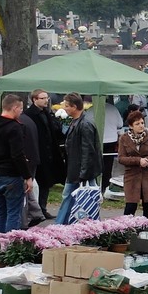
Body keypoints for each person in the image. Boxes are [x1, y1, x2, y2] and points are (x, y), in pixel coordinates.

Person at [0, 94, 33, 233]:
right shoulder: (14, 127)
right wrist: (27, 176)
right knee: (13, 212)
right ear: (15, 107)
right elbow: (17, 155)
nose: (22, 111)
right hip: (11, 174)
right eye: (21, 108)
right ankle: (9, 245)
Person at [54, 92, 103, 225]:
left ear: (75, 107)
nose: (64, 109)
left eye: (67, 106)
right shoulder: (77, 122)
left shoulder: (84, 124)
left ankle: (60, 226)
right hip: (77, 169)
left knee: (73, 197)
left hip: (80, 170)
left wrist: (83, 173)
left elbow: (88, 151)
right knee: (81, 198)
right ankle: (87, 224)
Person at [116, 109, 148, 219]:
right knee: (130, 206)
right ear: (131, 126)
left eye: (142, 123)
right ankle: (126, 230)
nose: (141, 126)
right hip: (131, 176)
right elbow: (121, 158)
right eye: (137, 124)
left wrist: (147, 159)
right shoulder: (124, 138)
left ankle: (147, 229)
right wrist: (138, 161)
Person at [27, 89, 64, 220]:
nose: (46, 100)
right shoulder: (30, 114)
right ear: (34, 99)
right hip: (37, 152)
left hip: (49, 152)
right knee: (35, 182)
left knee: (46, 183)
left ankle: (42, 208)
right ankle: (33, 209)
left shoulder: (47, 113)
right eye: (42, 98)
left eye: (47, 98)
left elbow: (54, 131)